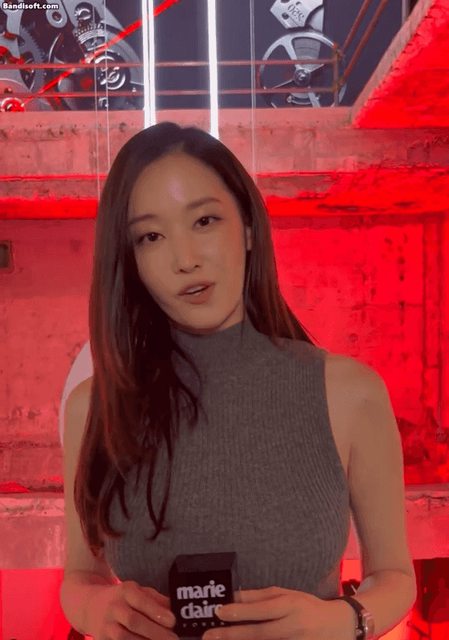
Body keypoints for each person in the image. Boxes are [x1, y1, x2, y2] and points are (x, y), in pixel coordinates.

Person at [59, 122, 417, 640]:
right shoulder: (95, 406)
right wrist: (96, 609)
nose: (185, 260)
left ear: (248, 227)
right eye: (151, 236)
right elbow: (80, 576)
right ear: (130, 259)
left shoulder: (349, 393)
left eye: (204, 220)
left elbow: (396, 576)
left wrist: (340, 619)